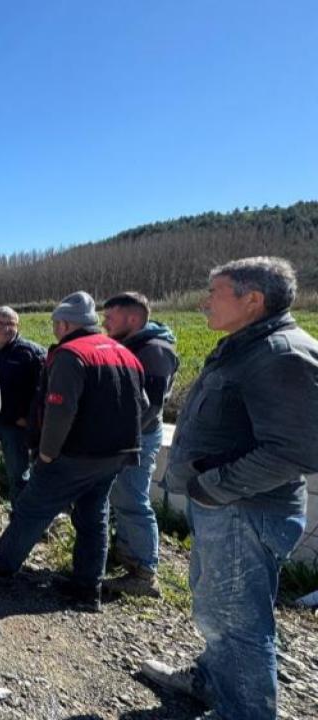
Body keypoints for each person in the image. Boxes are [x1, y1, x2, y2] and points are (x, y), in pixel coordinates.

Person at [142, 257, 318, 720]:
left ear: (252, 300)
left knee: (239, 623)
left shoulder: (282, 354)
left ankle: (242, 712)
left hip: (245, 510)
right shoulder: (245, 347)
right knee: (216, 609)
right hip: (226, 508)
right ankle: (211, 681)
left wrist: (212, 487)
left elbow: (296, 451)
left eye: (214, 292)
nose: (204, 302)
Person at [0, 291, 147, 612]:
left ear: (66, 324)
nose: (54, 330)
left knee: (31, 510)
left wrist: (47, 453)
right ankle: (87, 589)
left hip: (72, 454)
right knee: (94, 517)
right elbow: (144, 405)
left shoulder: (71, 354)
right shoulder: (124, 352)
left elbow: (60, 409)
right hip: (116, 455)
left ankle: (2, 568)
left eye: (55, 324)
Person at [99, 292, 179, 597]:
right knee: (121, 496)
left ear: (132, 319)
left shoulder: (155, 352)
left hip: (137, 438)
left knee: (132, 499)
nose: (104, 323)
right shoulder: (132, 345)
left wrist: (119, 439)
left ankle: (144, 573)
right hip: (124, 435)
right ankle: (127, 555)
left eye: (110, 317)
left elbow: (149, 408)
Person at [0, 306, 45, 531]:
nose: (5, 329)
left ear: (18, 326)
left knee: (19, 474)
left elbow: (42, 391)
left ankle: (20, 521)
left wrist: (29, 419)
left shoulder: (32, 353)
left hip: (14, 425)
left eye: (11, 324)